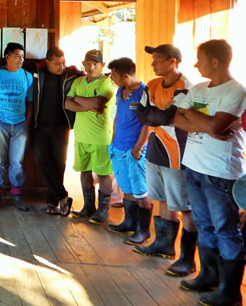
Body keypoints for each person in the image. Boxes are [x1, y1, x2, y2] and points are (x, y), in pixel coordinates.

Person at [174, 39, 246, 306]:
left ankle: (230, 291)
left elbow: (216, 124)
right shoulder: (198, 88)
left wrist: (193, 114)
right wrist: (208, 125)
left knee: (225, 228)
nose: (196, 65)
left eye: (200, 59)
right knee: (203, 224)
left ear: (215, 62)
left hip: (220, 171)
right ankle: (208, 276)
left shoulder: (235, 91)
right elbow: (177, 118)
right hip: (194, 165)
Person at [133, 44, 196, 277]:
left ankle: (187, 258)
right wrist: (156, 116)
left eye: (158, 59)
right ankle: (164, 244)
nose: (153, 64)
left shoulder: (185, 86)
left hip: (177, 150)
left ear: (173, 61)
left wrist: (155, 115)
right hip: (155, 146)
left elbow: (168, 116)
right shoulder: (151, 85)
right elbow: (141, 114)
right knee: (160, 197)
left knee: (183, 205)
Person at [64, 49, 115, 224]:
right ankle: (88, 207)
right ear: (83, 64)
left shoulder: (106, 82)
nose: (91, 67)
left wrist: (78, 99)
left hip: (100, 137)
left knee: (103, 174)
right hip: (81, 135)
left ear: (102, 65)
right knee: (84, 171)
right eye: (88, 63)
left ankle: (103, 211)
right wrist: (90, 106)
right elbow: (67, 103)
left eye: (95, 64)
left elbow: (98, 102)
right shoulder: (78, 81)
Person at [31, 46, 83, 216]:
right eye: (57, 64)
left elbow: (89, 74)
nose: (61, 67)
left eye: (63, 63)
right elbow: (15, 64)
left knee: (59, 164)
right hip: (40, 125)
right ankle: (63, 197)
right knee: (41, 159)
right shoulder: (37, 72)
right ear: (47, 62)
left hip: (61, 126)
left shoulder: (70, 74)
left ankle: (52, 200)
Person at [105, 57, 152, 244]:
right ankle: (129, 222)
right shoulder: (120, 91)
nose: (112, 79)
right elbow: (117, 116)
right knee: (126, 187)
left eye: (114, 75)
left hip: (135, 149)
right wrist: (112, 142)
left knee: (140, 190)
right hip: (118, 147)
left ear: (125, 75)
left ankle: (143, 231)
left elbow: (148, 123)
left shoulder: (144, 92)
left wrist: (138, 147)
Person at [0, 42, 34, 211]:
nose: (21, 59)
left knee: (17, 162)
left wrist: (27, 120)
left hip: (20, 125)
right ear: (7, 57)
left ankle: (16, 194)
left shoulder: (27, 76)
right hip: (0, 124)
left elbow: (30, 101)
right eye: (17, 56)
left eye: (22, 56)